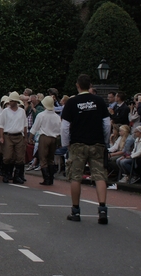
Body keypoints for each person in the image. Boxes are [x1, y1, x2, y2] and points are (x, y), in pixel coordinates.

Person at [61, 74, 111, 224]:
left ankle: (75, 210)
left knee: (76, 176)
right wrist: (105, 141)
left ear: (77, 85)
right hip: (96, 142)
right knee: (100, 175)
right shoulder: (99, 101)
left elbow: (64, 126)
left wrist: (66, 144)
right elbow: (107, 124)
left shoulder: (72, 102)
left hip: (78, 143)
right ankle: (102, 209)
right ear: (90, 86)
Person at [0, 92, 29, 184]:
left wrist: (25, 137)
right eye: (10, 101)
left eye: (12, 101)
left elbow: (25, 125)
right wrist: (1, 137)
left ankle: (17, 176)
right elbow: (1, 125)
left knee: (20, 157)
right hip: (8, 135)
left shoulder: (22, 111)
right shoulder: (5, 111)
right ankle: (6, 174)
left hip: (19, 135)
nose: (10, 102)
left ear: (16, 102)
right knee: (7, 156)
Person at [28, 94, 61, 185]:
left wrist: (30, 138)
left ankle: (46, 179)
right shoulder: (57, 117)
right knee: (50, 159)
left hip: (44, 137)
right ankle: (51, 178)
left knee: (43, 159)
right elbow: (60, 130)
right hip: (54, 138)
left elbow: (34, 128)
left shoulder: (41, 115)